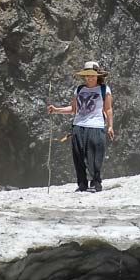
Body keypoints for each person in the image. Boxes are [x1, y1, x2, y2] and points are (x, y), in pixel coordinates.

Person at [45, 61, 114, 192]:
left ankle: (96, 182)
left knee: (95, 156)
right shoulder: (79, 89)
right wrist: (56, 110)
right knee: (78, 156)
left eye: (92, 75)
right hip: (78, 125)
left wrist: (110, 126)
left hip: (96, 126)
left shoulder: (104, 89)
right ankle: (82, 183)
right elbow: (73, 109)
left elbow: (108, 109)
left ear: (98, 76)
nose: (90, 78)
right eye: (87, 75)